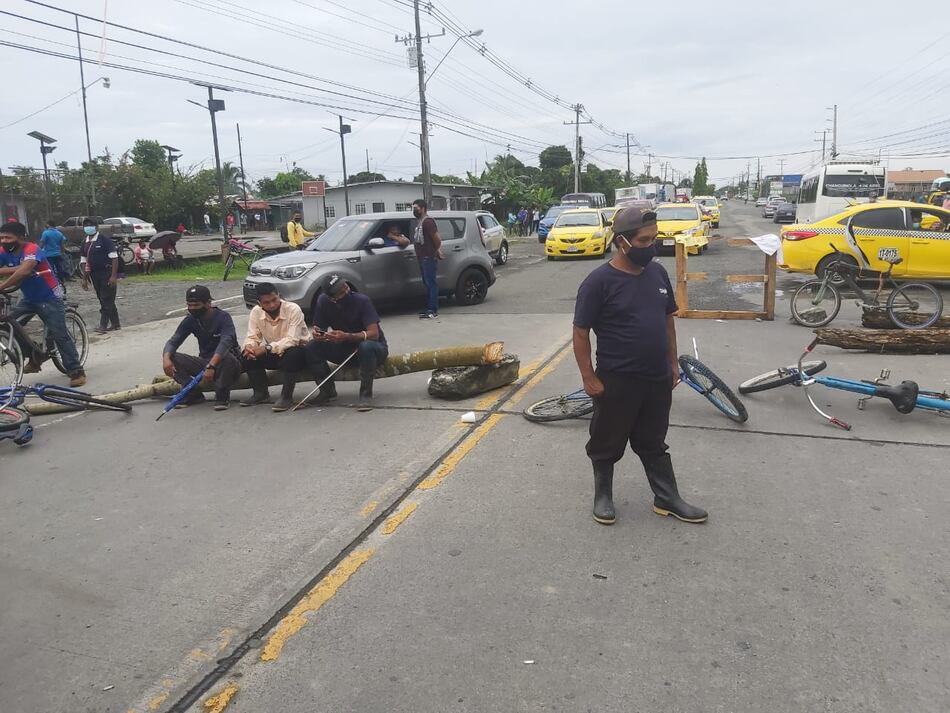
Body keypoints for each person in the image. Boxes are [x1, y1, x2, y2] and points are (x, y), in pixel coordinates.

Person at [573, 206, 706, 526]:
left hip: (657, 378)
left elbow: (667, 321)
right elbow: (580, 332)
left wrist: (672, 363)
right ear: (621, 242)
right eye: (644, 241)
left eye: (654, 239)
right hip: (617, 380)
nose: (652, 246)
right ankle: (603, 496)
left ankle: (667, 498)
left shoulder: (657, 274)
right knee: (606, 441)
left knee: (653, 441)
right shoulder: (598, 282)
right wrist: (589, 377)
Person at [0, 221, 85, 386]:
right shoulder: (3, 251)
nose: (4, 241)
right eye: (1, 237)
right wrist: (13, 269)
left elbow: (24, 270)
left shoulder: (32, 249)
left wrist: (2, 284)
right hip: (29, 297)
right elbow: (20, 269)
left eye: (8, 237)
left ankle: (76, 371)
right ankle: (34, 355)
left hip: (50, 296)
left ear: (20, 237)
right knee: (9, 325)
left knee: (59, 333)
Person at [305, 274, 388, 411]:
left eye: (345, 286)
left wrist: (347, 336)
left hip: (374, 349)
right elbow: (320, 328)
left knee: (366, 346)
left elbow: (373, 334)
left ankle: (365, 396)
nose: (346, 290)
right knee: (312, 347)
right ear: (332, 298)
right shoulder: (323, 301)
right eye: (341, 291)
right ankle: (327, 391)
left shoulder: (362, 301)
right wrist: (319, 335)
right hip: (345, 349)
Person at [162, 285, 242, 411]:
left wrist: (212, 366)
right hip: (205, 363)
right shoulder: (190, 320)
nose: (192, 309)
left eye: (196, 305)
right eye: (190, 305)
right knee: (171, 355)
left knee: (226, 357)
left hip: (228, 363)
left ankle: (222, 395)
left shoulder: (223, 317)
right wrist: (166, 359)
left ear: (208, 303)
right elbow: (174, 341)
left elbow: (226, 342)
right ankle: (193, 393)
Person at [241, 282, 310, 411]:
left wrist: (266, 348)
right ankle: (260, 393)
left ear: (279, 296)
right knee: (247, 355)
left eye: (274, 300)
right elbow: (252, 336)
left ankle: (286, 397)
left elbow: (292, 340)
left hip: (300, 352)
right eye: (266, 302)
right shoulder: (256, 312)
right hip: (276, 352)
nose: (272, 305)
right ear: (259, 303)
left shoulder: (293, 309)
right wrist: (250, 347)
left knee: (292, 354)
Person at [79, 216, 120, 334]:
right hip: (94, 274)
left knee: (106, 299)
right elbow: (83, 261)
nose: (88, 228)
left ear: (96, 227)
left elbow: (114, 258)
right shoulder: (84, 242)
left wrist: (113, 276)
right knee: (104, 299)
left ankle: (103, 325)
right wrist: (84, 278)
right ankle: (116, 324)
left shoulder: (104, 240)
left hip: (106, 273)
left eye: (90, 225)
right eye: (85, 226)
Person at [411, 199, 442, 319]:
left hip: (428, 257)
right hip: (422, 257)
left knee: (431, 283)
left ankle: (432, 310)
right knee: (427, 283)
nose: (414, 210)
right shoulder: (420, 222)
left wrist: (436, 249)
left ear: (423, 208)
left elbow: (436, 238)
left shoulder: (428, 222)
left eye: (416, 208)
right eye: (413, 208)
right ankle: (429, 308)